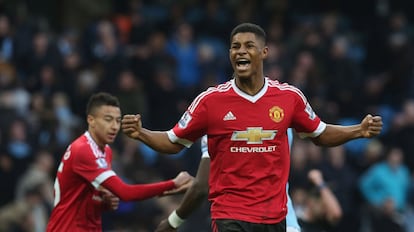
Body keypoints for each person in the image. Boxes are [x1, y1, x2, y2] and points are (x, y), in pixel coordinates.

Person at [121, 22, 383, 232]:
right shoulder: (211, 102)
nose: (241, 51)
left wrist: (357, 131)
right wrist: (141, 134)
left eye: (249, 46)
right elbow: (172, 141)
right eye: (235, 47)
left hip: (274, 216)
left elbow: (320, 133)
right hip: (230, 214)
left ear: (264, 52)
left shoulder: (288, 98)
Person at [46, 92, 192, 232]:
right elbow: (125, 193)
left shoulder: (106, 151)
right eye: (108, 120)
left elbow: (80, 197)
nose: (115, 127)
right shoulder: (84, 150)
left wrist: (102, 203)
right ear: (91, 120)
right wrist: (173, 183)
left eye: (117, 120)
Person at [155, 132, 302, 232]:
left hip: (238, 221)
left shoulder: (217, 122)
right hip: (284, 222)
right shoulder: (281, 113)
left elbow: (202, 187)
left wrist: (172, 222)